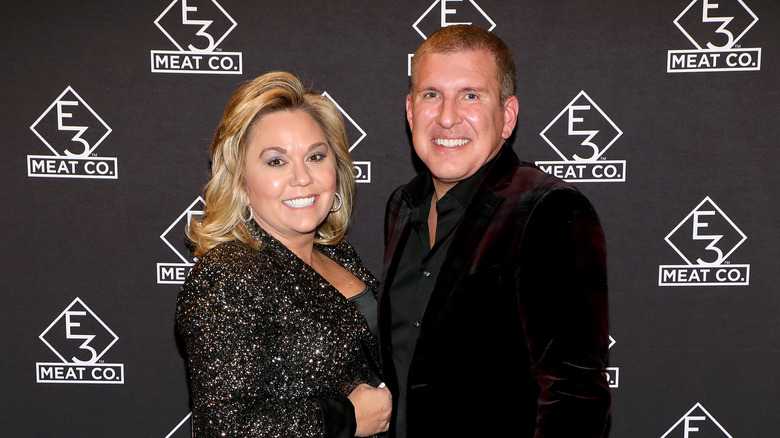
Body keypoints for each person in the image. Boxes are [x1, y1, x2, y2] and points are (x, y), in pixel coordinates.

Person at [378, 25, 611, 437]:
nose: (447, 117)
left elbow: (574, 396)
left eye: (470, 95)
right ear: (411, 110)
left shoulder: (548, 209)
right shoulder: (401, 206)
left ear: (507, 116)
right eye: (432, 95)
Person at [176, 71, 391, 438]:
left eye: (316, 156)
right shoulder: (227, 275)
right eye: (276, 161)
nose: (302, 177)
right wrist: (346, 419)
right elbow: (224, 428)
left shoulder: (338, 255)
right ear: (241, 183)